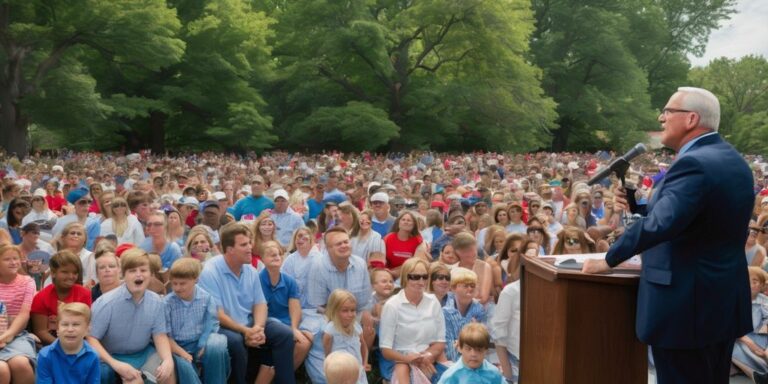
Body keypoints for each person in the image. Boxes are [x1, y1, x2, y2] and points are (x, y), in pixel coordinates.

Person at [582, 87, 755, 383]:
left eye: (667, 111)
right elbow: (697, 216)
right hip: (718, 302)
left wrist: (609, 259)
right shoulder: (730, 159)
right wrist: (639, 204)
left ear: (691, 118)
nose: (661, 118)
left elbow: (663, 224)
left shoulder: (694, 163)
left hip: (686, 308)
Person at [197, 222, 295, 384]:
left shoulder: (250, 270)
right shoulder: (209, 271)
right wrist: (246, 331)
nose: (250, 247)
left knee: (284, 334)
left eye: (250, 242)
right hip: (220, 326)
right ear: (230, 249)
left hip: (248, 323)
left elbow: (260, 304)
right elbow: (217, 314)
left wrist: (258, 328)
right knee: (236, 342)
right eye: (244, 244)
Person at [87, 247, 200, 384]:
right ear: (124, 274)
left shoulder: (156, 301)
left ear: (150, 274)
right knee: (134, 382)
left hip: (144, 353)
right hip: (113, 356)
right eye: (132, 271)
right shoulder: (106, 303)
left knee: (167, 373)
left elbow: (160, 335)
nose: (138, 275)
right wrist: (115, 364)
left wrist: (167, 360)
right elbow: (92, 339)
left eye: (143, 270)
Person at [379, 257, 446, 383]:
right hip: (400, 360)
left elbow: (440, 341)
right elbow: (386, 350)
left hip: (429, 356)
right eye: (415, 277)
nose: (421, 281)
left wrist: (427, 356)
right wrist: (408, 359)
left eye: (424, 277)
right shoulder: (392, 306)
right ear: (405, 278)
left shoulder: (433, 301)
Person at [164, 257, 230, 384]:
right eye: (174, 283)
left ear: (196, 280)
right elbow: (166, 336)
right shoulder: (167, 303)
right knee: (186, 368)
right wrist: (182, 353)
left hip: (200, 342)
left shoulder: (206, 298)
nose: (177, 288)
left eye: (182, 283)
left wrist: (203, 343)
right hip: (178, 347)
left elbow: (211, 323)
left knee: (217, 343)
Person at [258, 241, 313, 372]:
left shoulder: (289, 281)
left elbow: (295, 308)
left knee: (306, 341)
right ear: (262, 259)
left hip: (287, 324)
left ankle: (278, 376)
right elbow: (260, 310)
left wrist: (293, 328)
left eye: (278, 254)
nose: (276, 257)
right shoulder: (258, 280)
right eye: (271, 255)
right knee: (299, 340)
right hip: (267, 324)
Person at [31, 250, 92, 346]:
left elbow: (87, 326)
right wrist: (63, 346)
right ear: (53, 273)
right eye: (65, 272)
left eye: (75, 273)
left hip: (79, 343)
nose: (71, 276)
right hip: (51, 345)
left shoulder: (84, 294)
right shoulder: (41, 297)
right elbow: (41, 332)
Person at [35, 302, 100, 383]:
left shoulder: (92, 356)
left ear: (87, 329)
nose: (70, 329)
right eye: (65, 324)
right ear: (57, 329)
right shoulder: (45, 355)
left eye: (76, 324)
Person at [0, 245, 36, 383]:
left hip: (16, 334)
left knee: (21, 364)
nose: (13, 262)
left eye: (16, 258)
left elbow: (24, 314)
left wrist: (7, 335)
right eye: (7, 259)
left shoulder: (28, 282)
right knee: (1, 369)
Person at [322, 289, 369, 384]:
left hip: (357, 370)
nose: (350, 314)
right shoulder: (331, 330)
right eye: (345, 311)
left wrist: (364, 363)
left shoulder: (356, 327)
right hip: (340, 372)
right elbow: (327, 353)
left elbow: (364, 346)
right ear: (334, 310)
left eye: (353, 310)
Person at [441, 267, 487, 362]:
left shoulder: (479, 309)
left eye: (472, 285)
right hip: (449, 360)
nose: (470, 289)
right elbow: (448, 344)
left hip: (473, 359)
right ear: (453, 288)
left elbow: (481, 340)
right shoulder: (445, 311)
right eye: (465, 286)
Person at [731, 267, 768, 384]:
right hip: (743, 338)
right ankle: (759, 375)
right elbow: (730, 326)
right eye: (746, 280)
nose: (750, 284)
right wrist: (750, 343)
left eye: (755, 281)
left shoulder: (763, 301)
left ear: (762, 286)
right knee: (733, 348)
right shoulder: (735, 300)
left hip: (762, 338)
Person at [437, 323, 504, 384]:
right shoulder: (451, 376)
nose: (473, 354)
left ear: (485, 351)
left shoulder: (493, 373)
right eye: (468, 349)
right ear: (460, 348)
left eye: (479, 350)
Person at [282, 227, 321, 309]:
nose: (301, 239)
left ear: (311, 240)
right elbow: (284, 283)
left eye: (305, 237)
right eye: (299, 236)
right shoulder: (290, 259)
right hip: (294, 304)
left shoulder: (319, 258)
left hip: (316, 306)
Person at [51, 187, 100, 251]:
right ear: (75, 204)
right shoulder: (62, 221)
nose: (87, 204)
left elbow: (90, 247)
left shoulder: (93, 223)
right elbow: (54, 242)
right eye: (82, 202)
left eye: (89, 201)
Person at [383, 211, 429, 278]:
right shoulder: (388, 238)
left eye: (409, 220)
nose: (406, 222)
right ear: (399, 222)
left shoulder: (418, 241)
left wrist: (395, 272)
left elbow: (417, 263)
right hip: (387, 274)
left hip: (408, 275)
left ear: (413, 225)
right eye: (403, 220)